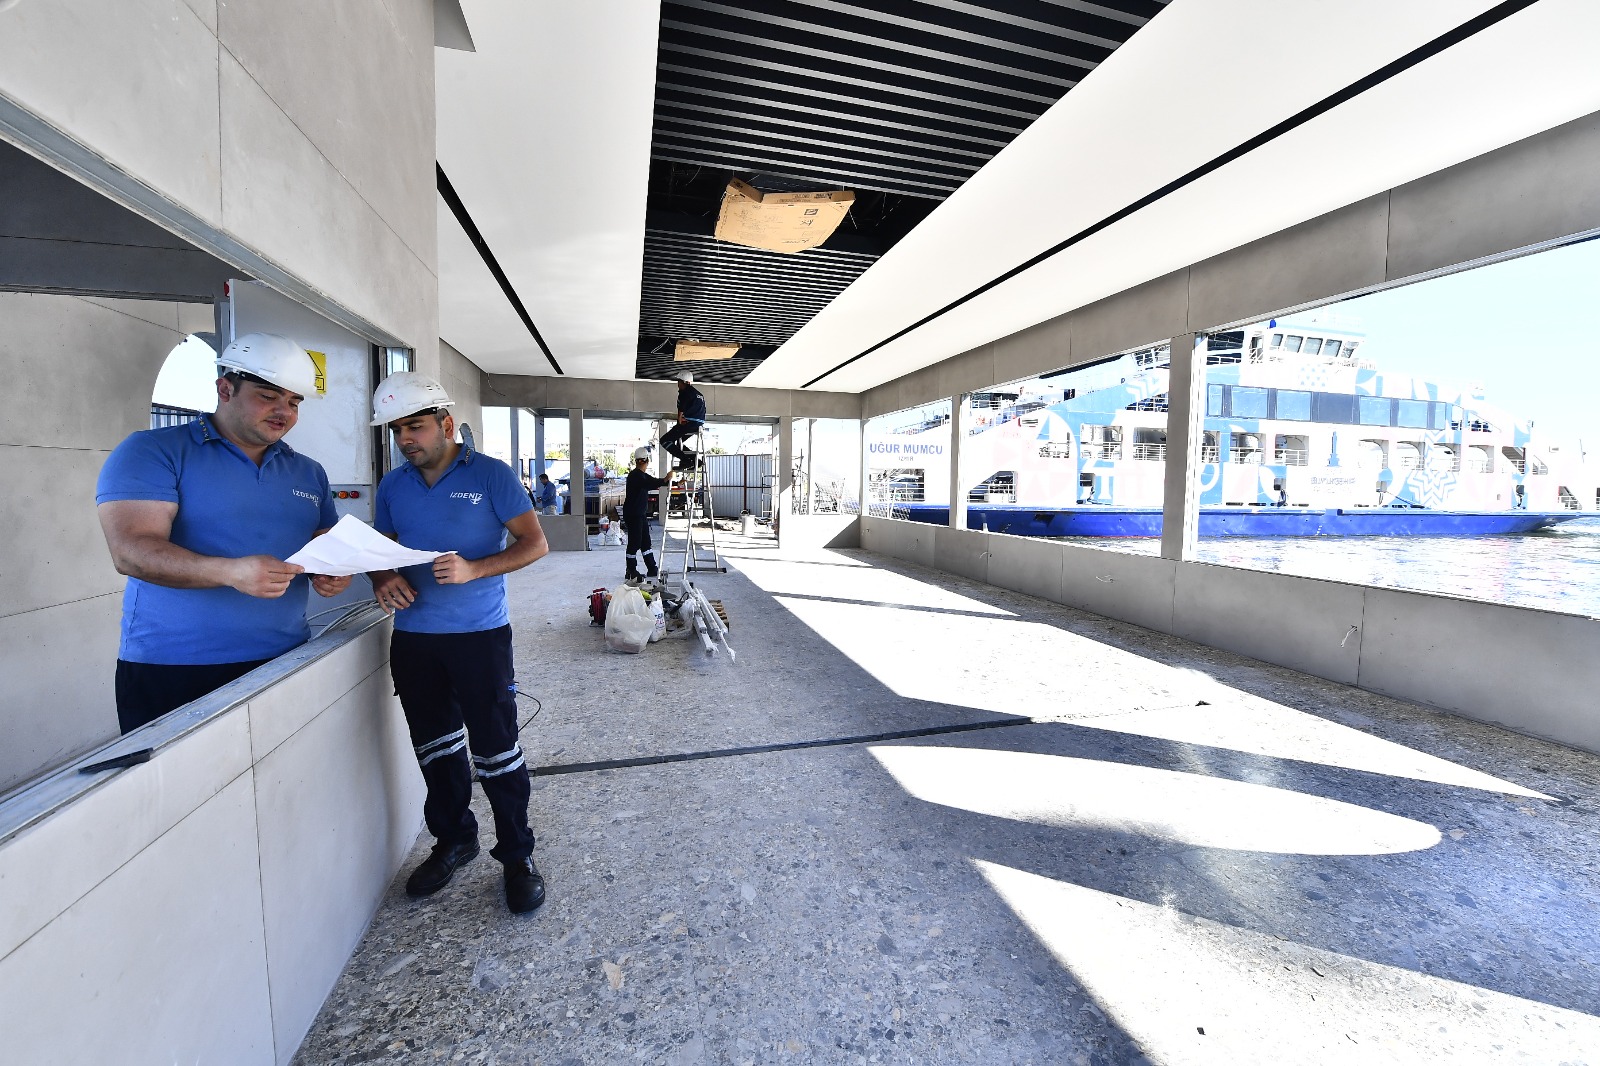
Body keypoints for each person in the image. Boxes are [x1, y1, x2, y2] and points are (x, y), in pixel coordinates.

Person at [96, 333, 350, 734]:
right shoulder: (154, 451)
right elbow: (130, 551)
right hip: (175, 666)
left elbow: (324, 542)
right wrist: (231, 573)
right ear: (225, 389)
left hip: (287, 657)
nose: (283, 411)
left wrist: (332, 571)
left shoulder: (308, 471)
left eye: (294, 402)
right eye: (268, 396)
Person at [367, 372, 551, 914]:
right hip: (414, 640)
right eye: (397, 430)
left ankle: (517, 855)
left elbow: (534, 543)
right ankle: (454, 840)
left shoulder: (491, 475)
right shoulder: (393, 486)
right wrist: (381, 576)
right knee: (436, 747)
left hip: (479, 638)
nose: (406, 439)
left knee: (497, 749)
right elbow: (380, 548)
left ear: (446, 424)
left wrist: (474, 569)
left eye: (416, 427)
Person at [622, 446, 674, 584]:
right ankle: (631, 571)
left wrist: (670, 482)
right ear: (647, 461)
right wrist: (665, 479)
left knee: (645, 542)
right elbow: (650, 483)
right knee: (635, 542)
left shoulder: (641, 475)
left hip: (640, 514)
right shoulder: (636, 476)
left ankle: (652, 568)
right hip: (633, 514)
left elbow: (654, 481)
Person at [658, 370, 706, 467]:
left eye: (679, 381)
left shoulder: (684, 392)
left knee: (665, 441)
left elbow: (681, 409)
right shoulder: (699, 394)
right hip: (698, 424)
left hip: (688, 423)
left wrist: (679, 422)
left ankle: (686, 461)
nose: (678, 384)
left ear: (683, 382)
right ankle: (696, 461)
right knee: (678, 444)